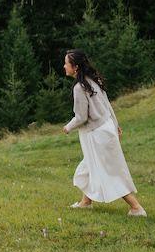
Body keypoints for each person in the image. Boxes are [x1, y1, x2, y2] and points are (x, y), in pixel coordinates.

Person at [62, 49, 146, 217]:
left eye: (66, 63)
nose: (64, 66)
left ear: (76, 67)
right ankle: (86, 202)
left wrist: (68, 127)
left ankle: (136, 208)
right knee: (91, 167)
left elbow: (81, 117)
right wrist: (115, 125)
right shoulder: (94, 80)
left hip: (96, 135)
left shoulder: (80, 88)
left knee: (108, 171)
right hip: (105, 129)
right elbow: (107, 105)